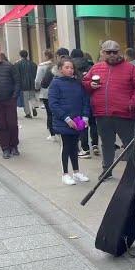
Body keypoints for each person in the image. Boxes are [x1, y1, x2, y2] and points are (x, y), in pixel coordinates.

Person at [82, 40, 135, 180]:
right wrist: (90, 85)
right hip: (102, 113)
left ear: (120, 52)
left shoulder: (130, 68)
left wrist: (132, 103)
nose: (112, 54)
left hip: (124, 113)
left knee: (130, 144)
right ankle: (107, 170)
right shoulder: (96, 68)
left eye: (115, 51)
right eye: (108, 52)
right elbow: (85, 83)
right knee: (106, 144)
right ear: (102, 53)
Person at [48, 57, 91, 185]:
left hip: (77, 120)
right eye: (67, 67)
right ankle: (65, 174)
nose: (70, 70)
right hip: (64, 121)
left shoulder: (78, 83)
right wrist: (66, 118)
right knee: (66, 146)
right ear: (60, 69)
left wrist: (85, 116)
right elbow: (53, 104)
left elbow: (85, 100)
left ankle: (76, 172)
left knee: (75, 146)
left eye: (72, 67)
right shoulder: (55, 83)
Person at [71, 49, 98, 159]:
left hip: (78, 101)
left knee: (82, 125)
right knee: (93, 123)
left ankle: (85, 148)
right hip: (91, 97)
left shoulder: (71, 68)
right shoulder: (90, 66)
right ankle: (95, 144)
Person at [35, 49, 57, 141]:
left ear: (46, 56)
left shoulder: (42, 66)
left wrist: (37, 88)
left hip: (46, 92)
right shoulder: (57, 65)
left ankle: (52, 134)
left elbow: (37, 80)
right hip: (58, 91)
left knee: (50, 113)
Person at [13, 50, 38, 118]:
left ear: (20, 55)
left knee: (25, 100)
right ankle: (34, 107)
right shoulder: (33, 64)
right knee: (32, 97)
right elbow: (36, 74)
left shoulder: (17, 64)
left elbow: (17, 75)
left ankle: (28, 113)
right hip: (32, 83)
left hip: (23, 85)